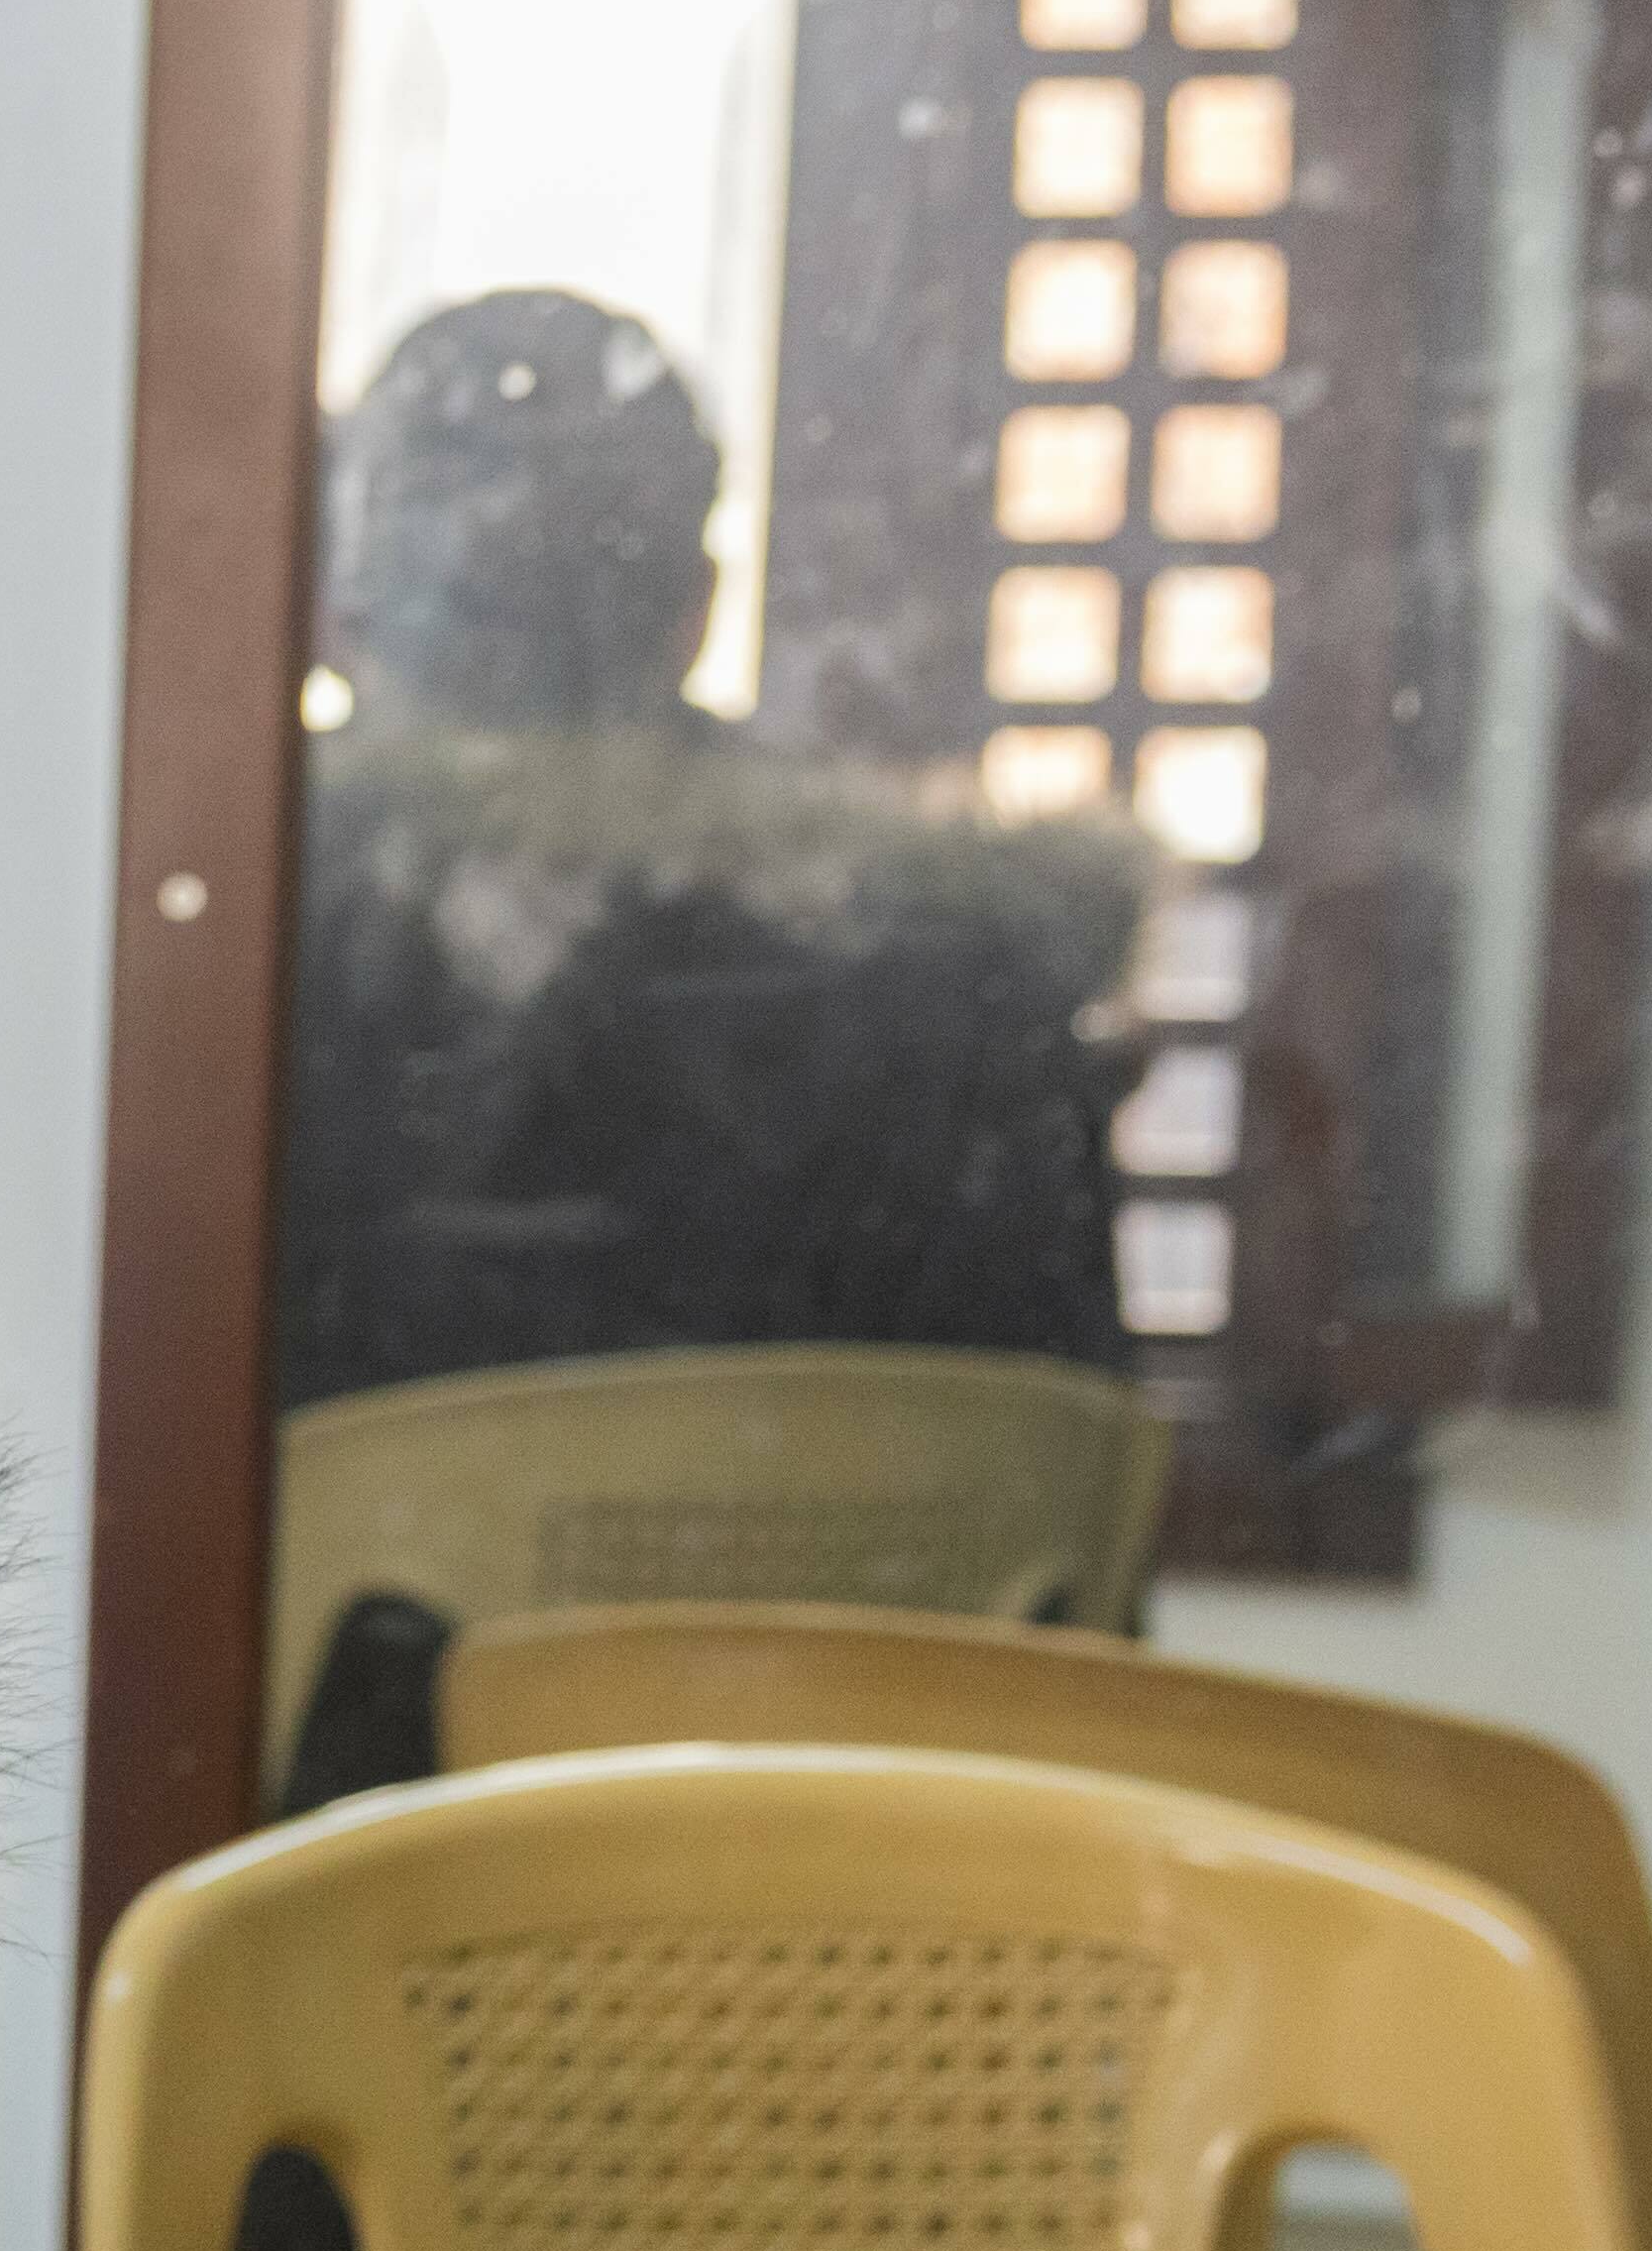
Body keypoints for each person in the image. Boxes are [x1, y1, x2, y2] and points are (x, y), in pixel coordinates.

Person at [275, 284, 1139, 1411]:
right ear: (695, 611)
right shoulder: (958, 960)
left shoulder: (209, 949)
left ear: (335, 616)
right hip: (830, 1587)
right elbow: (1053, 1490)